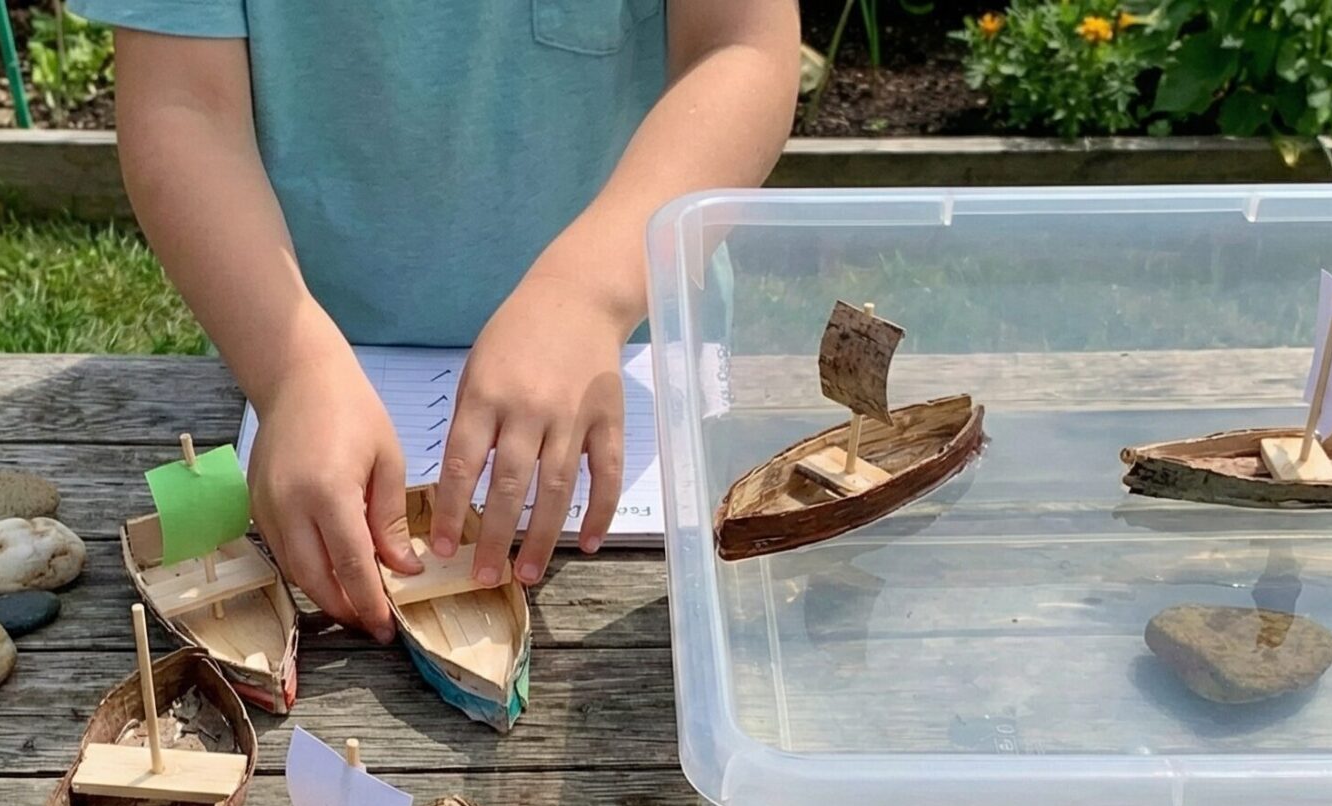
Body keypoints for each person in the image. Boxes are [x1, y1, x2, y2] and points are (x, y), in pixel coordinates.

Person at [81, 1, 801, 641]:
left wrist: (588, 293)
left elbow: (744, 46)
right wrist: (292, 369)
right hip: (291, 371)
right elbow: (183, 108)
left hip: (636, 367)